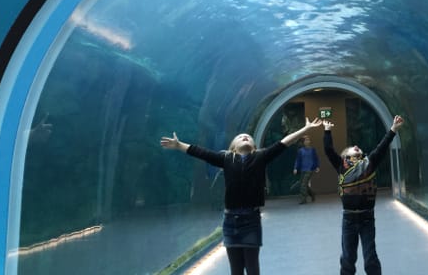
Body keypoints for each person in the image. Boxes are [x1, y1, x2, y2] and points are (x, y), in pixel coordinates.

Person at [160, 117, 322, 275]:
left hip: (251, 220)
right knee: (235, 269)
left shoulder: (261, 156)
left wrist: (305, 130)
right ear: (233, 147)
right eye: (240, 137)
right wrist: (179, 145)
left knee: (252, 268)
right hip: (230, 221)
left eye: (248, 137)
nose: (245, 136)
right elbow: (201, 153)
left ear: (253, 146)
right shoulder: (225, 158)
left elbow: (285, 143)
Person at [323, 115, 404, 275]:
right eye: (352, 147)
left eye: (357, 147)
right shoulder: (341, 165)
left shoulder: (369, 162)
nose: (356, 145)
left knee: (370, 257)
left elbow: (382, 147)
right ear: (345, 155)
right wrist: (327, 130)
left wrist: (393, 129)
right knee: (348, 257)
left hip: (367, 218)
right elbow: (328, 149)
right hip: (349, 219)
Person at [292, 135, 320, 204]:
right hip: (303, 169)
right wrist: (295, 168)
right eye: (306, 140)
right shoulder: (300, 151)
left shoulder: (312, 150)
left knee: (303, 185)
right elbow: (297, 160)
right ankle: (312, 194)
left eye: (308, 140)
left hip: (310, 169)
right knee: (304, 184)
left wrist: (317, 166)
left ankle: (303, 199)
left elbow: (316, 159)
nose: (308, 141)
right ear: (303, 142)